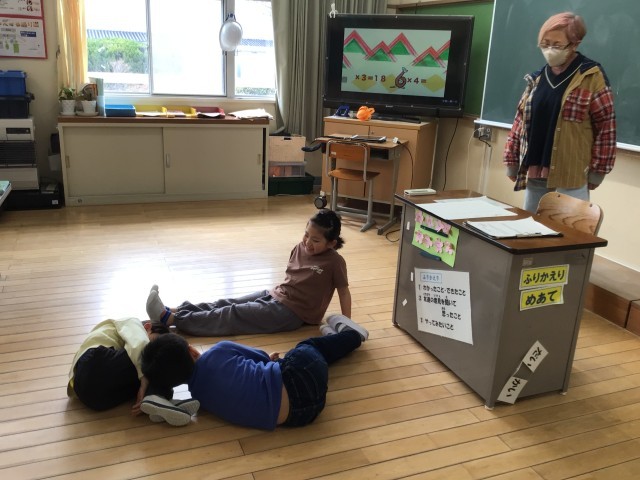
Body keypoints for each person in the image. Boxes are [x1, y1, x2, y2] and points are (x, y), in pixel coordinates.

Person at [138, 314, 368, 430]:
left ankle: (335, 338)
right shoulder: (219, 351)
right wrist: (270, 360)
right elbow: (260, 356)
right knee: (308, 347)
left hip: (302, 416)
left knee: (316, 356)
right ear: (192, 350)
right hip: (300, 377)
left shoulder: (196, 396)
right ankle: (353, 335)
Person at [145, 209, 352, 336]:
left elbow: (343, 292)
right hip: (277, 294)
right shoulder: (300, 246)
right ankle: (175, 310)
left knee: (233, 313)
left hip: (294, 313)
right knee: (227, 302)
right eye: (306, 235)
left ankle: (173, 321)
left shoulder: (334, 262)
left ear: (331, 243)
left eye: (315, 240)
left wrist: (346, 323)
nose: (307, 242)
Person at [503, 12, 616, 213]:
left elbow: (606, 126)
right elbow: (520, 121)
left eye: (557, 45)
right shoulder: (537, 78)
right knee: (531, 226)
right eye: (545, 44)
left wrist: (598, 171)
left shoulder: (591, 76)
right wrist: (512, 160)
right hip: (536, 171)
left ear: (575, 44)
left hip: (571, 175)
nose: (549, 50)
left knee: (567, 229)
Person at [68, 317, 200, 426]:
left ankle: (160, 401)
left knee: (157, 370)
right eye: (154, 341)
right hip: (94, 364)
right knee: (151, 362)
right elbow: (139, 342)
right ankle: (159, 397)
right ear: (147, 327)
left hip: (93, 399)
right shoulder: (131, 322)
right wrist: (143, 379)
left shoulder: (132, 371)